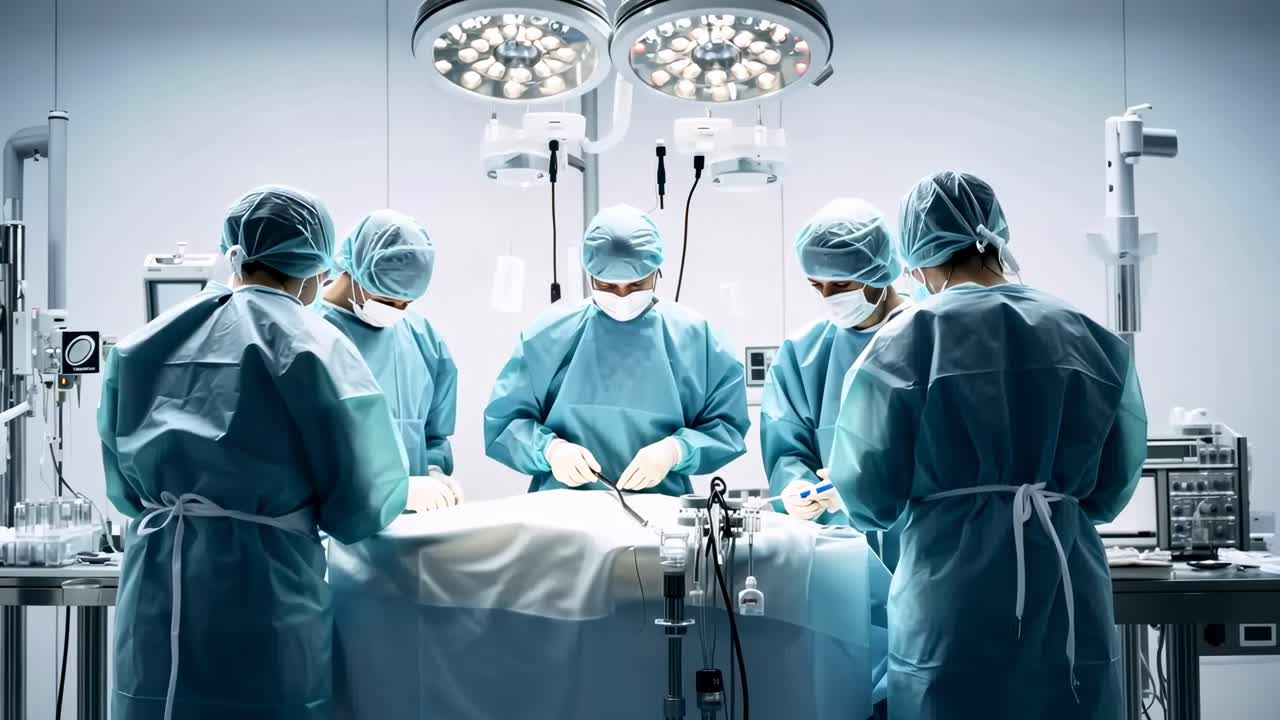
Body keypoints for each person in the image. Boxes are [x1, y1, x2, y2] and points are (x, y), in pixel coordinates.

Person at [827, 171, 1147, 719]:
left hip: (950, 594)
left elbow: (868, 496)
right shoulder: (1087, 335)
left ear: (919, 255)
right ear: (994, 236)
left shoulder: (904, 341)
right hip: (1065, 581)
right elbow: (1110, 491)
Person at [98, 185, 410, 720]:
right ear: (314, 264)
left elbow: (125, 493)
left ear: (236, 250)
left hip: (156, 590)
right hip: (264, 596)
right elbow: (362, 503)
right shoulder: (316, 345)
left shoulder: (143, 342)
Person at [484, 204, 750, 495]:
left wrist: (674, 450)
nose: (623, 297)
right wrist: (551, 450)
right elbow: (505, 423)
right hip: (563, 514)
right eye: (608, 286)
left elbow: (727, 426)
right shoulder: (547, 337)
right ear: (589, 275)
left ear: (657, 271)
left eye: (637, 284)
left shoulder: (698, 339)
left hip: (661, 515)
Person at [760, 198, 909, 535]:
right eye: (817, 285)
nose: (828, 296)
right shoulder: (803, 353)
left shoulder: (928, 335)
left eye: (841, 284)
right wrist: (795, 486)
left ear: (879, 271)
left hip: (919, 541)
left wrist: (867, 489)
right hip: (837, 545)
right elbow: (788, 449)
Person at [318, 209, 462, 512]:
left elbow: (432, 432)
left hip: (411, 526)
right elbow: (304, 448)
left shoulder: (421, 336)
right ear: (354, 269)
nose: (396, 310)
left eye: (406, 302)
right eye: (386, 300)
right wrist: (386, 489)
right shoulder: (308, 330)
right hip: (334, 527)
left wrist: (434, 470)